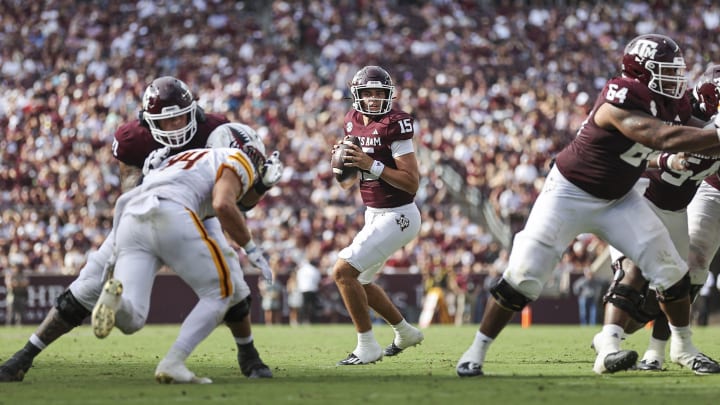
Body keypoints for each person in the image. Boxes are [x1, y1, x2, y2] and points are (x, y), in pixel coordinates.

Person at [455, 34, 720, 378]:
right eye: (666, 71)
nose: (676, 79)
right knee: (524, 276)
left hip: (619, 199)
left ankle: (682, 346)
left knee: (670, 269)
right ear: (640, 72)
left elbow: (693, 138)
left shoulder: (673, 102)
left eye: (676, 71)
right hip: (570, 193)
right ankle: (476, 351)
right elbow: (662, 138)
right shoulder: (621, 95)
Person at [0, 77, 278, 382]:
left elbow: (230, 201)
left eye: (179, 117)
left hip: (194, 211)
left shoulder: (216, 130)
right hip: (151, 203)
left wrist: (257, 186)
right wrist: (147, 175)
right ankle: (23, 357)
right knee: (89, 282)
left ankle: (249, 356)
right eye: (165, 121)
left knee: (233, 282)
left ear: (194, 112)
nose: (174, 127)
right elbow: (130, 189)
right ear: (148, 122)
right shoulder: (134, 140)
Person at [90, 122, 273, 383]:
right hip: (170, 211)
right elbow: (223, 204)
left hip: (131, 216)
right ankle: (173, 361)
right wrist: (251, 248)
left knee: (133, 318)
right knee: (221, 293)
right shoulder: (236, 157)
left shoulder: (182, 158)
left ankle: (115, 302)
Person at [598, 64, 720, 372]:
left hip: (679, 200)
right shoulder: (679, 110)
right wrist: (667, 159)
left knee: (681, 274)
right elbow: (634, 149)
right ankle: (624, 344)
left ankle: (649, 346)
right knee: (653, 268)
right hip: (656, 196)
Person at [331, 65, 424, 365]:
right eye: (367, 93)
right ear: (356, 95)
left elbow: (412, 183)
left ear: (389, 95)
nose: (373, 99)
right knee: (363, 282)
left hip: (400, 214)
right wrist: (341, 164)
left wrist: (370, 164)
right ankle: (405, 332)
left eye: (379, 93)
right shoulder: (351, 122)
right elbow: (346, 183)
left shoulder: (395, 125)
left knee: (343, 272)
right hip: (374, 214)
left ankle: (367, 346)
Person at [296, 258, 322, 324]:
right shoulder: (315, 270)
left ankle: (300, 320)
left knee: (304, 305)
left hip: (303, 289)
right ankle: (311, 320)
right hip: (312, 289)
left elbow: (298, 278)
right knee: (312, 305)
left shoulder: (302, 269)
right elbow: (318, 280)